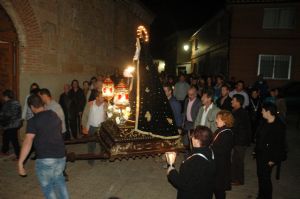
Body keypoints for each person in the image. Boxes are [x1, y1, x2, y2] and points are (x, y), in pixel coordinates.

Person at [18, 94, 69, 199]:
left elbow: (28, 141)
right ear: (42, 104)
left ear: (32, 107)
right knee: (59, 182)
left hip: (46, 159)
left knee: (48, 188)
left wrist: (20, 162)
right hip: (61, 157)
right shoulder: (53, 114)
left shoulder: (33, 121)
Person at [167, 125, 216, 199]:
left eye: (193, 137)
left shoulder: (194, 161)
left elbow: (182, 183)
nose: (191, 139)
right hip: (205, 193)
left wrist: (171, 167)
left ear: (196, 141)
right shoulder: (210, 152)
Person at [254, 102, 286, 199]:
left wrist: (273, 159)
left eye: (263, 110)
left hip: (269, 157)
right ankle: (261, 196)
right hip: (260, 154)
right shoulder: (264, 121)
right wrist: (256, 150)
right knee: (260, 176)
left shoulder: (278, 126)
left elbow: (279, 145)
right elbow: (259, 137)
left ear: (268, 112)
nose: (261, 112)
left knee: (266, 178)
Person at [211, 110, 234, 199]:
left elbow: (222, 150)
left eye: (217, 119)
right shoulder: (221, 130)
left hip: (221, 166)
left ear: (224, 120)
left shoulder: (227, 133)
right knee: (215, 187)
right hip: (217, 164)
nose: (216, 120)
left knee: (219, 189)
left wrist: (210, 148)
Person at [81, 90, 107, 165]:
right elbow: (84, 116)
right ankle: (91, 159)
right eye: (102, 97)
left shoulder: (106, 105)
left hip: (102, 128)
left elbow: (110, 116)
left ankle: (103, 157)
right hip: (92, 127)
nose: (104, 98)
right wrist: (84, 126)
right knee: (91, 144)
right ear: (97, 97)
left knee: (103, 144)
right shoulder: (90, 104)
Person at [231, 94, 251, 185]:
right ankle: (234, 178)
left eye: (233, 100)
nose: (231, 101)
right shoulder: (236, 111)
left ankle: (239, 180)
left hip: (240, 141)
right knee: (235, 160)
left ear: (238, 102)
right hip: (237, 140)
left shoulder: (241, 113)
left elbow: (236, 127)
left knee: (239, 161)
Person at [0, 89, 22, 158]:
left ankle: (19, 156)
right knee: (5, 137)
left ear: (6, 96)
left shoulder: (7, 104)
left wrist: (1, 118)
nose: (3, 98)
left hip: (10, 125)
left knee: (14, 141)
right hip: (15, 124)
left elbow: (6, 115)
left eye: (4, 96)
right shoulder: (17, 102)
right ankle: (4, 150)